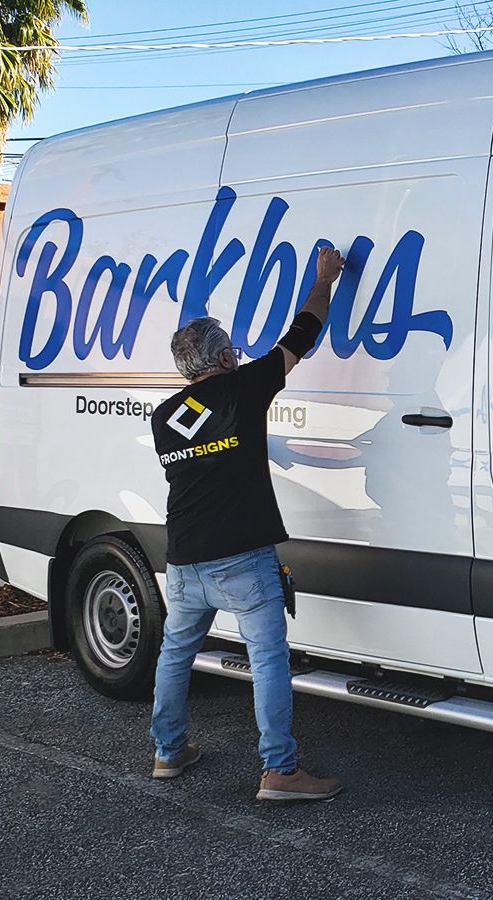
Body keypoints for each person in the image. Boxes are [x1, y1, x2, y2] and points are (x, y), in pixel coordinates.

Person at [147, 246, 345, 801]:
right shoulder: (242, 389)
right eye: (232, 349)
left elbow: (205, 453)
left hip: (184, 557)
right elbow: (302, 333)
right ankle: (279, 770)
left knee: (175, 652)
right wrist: (323, 279)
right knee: (267, 659)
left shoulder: (166, 416)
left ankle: (168, 752)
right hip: (242, 555)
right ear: (227, 358)